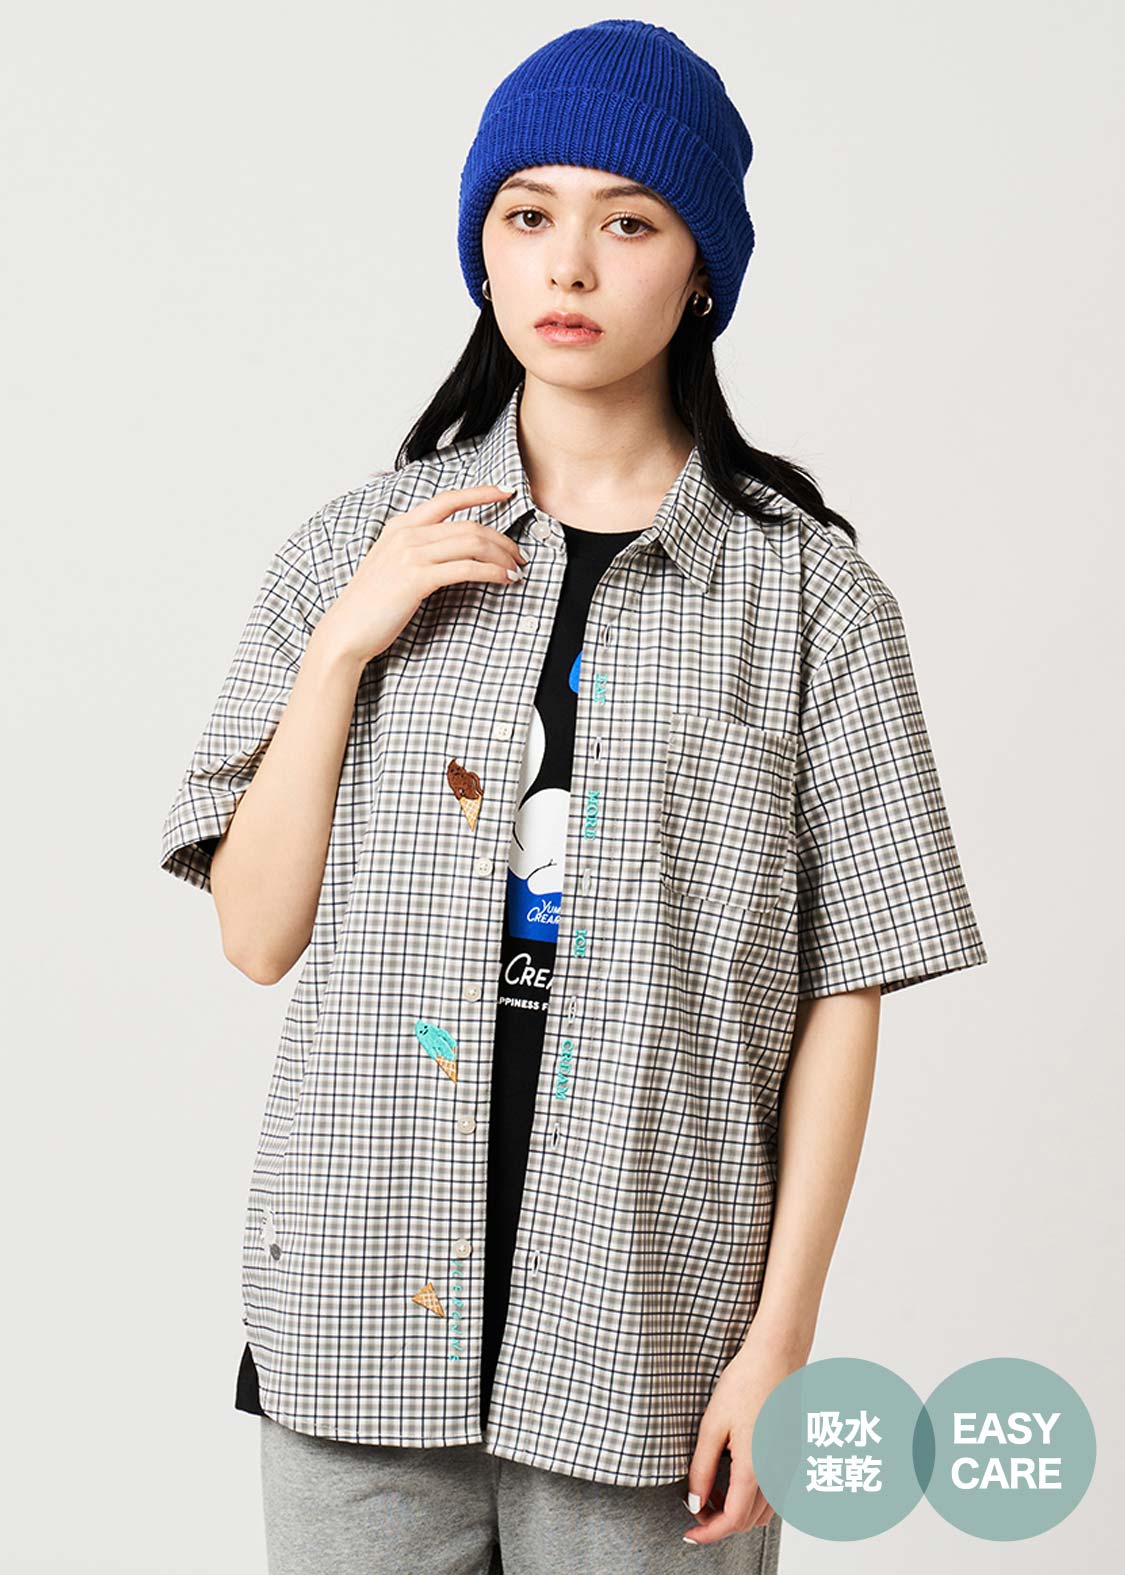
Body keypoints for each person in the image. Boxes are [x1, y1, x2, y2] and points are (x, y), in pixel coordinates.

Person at [159, 19, 988, 1574]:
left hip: (652, 1342)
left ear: (701, 269)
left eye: (629, 222)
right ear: (480, 248)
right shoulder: (351, 549)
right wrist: (344, 649)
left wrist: (780, 1341)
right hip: (353, 1318)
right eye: (527, 213)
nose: (570, 264)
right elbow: (257, 936)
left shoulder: (807, 600)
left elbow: (846, 986)